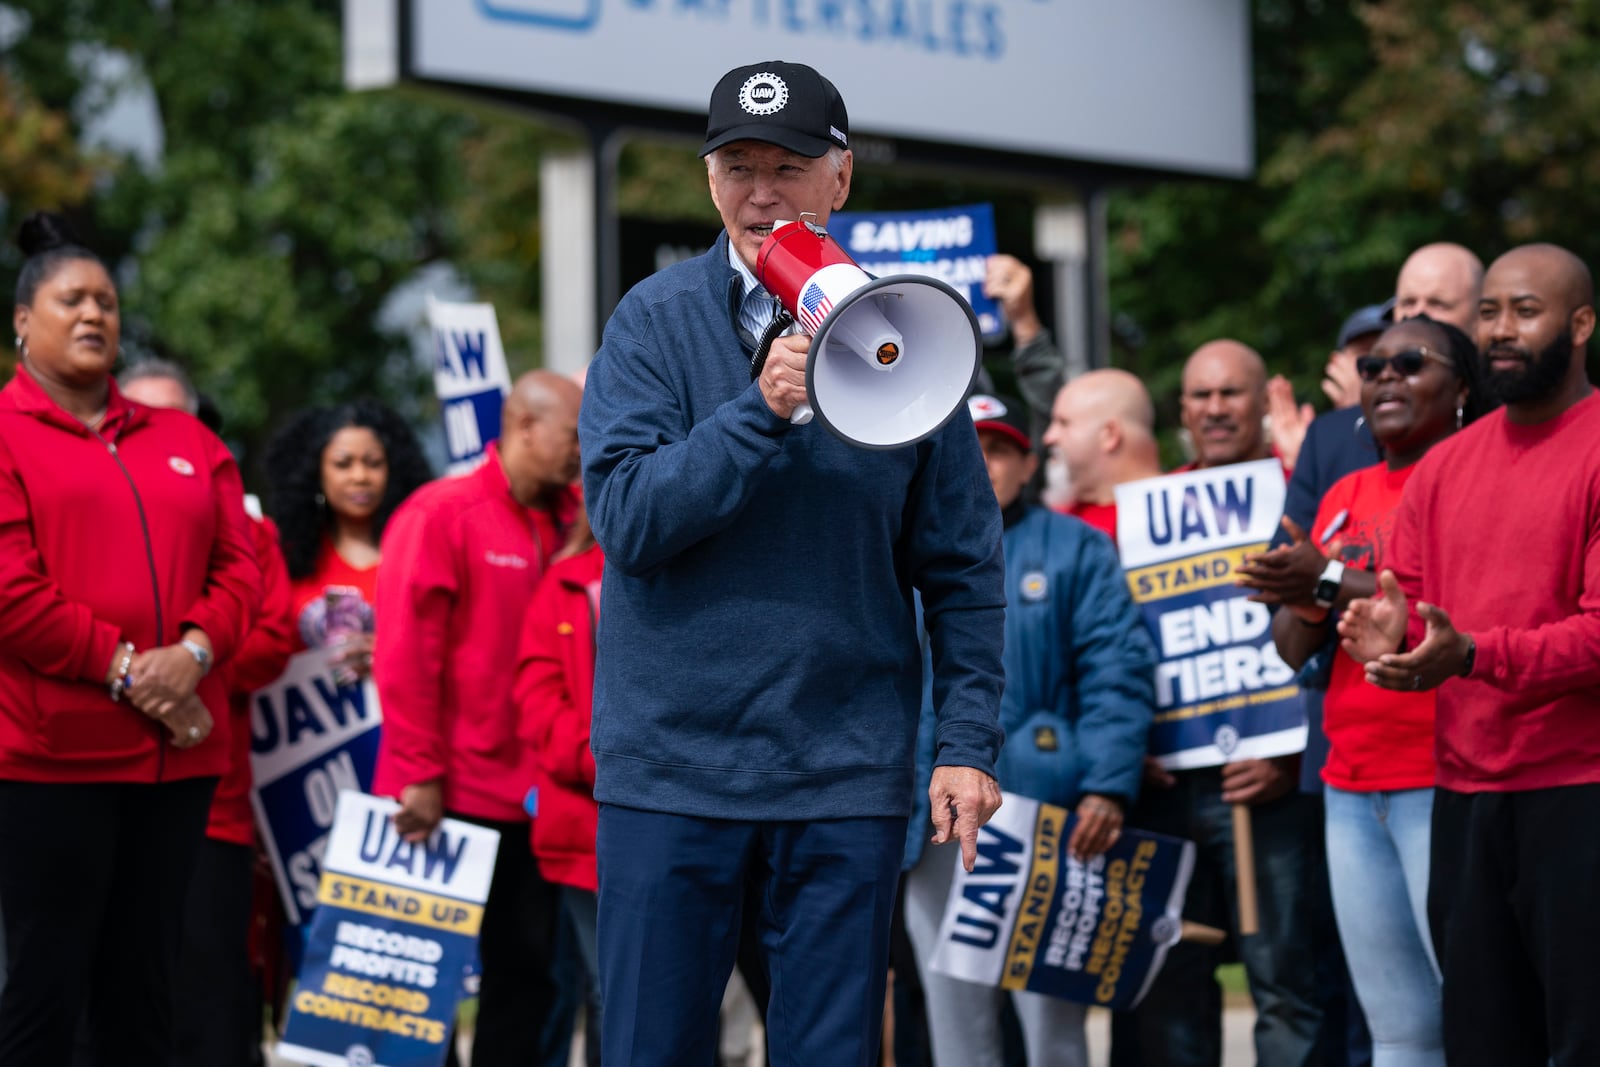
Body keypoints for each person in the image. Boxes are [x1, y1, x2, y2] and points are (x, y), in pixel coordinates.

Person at [579, 60, 1006, 1066]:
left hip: (840, 774)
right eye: (737, 165)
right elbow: (630, 519)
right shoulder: (651, 320)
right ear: (708, 180)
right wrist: (758, 412)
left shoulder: (914, 333)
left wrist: (968, 739)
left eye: (790, 164)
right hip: (674, 771)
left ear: (840, 178)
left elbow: (962, 567)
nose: (762, 190)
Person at [0, 212, 259, 1065]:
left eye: (106, 300)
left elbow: (241, 566)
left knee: (146, 995)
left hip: (172, 768)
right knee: (45, 992)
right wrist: (124, 670)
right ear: (22, 321)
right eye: (70, 297)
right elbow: (10, 587)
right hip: (50, 765)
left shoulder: (186, 438)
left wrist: (190, 655)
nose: (93, 313)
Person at [1338, 243, 1600, 1066]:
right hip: (1463, 794)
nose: (1502, 330)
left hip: (1579, 792)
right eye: (1489, 312)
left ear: (1581, 324)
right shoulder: (1446, 466)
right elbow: (1406, 602)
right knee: (1482, 1040)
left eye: (1527, 310)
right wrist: (1390, 631)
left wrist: (1472, 653)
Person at [1256, 317, 1490, 1066]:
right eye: (1373, 364)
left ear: (1461, 390)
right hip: (1352, 789)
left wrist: (1322, 574)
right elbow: (1292, 649)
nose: (1385, 374)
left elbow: (1437, 610)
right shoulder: (1346, 491)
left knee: (1482, 1007)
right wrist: (1300, 589)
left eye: (1410, 362)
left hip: (1442, 778)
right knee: (1396, 1026)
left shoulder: (1475, 475)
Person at [903, 394, 1154, 1067]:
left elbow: (1116, 671)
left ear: (1026, 461)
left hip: (1045, 817)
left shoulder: (1077, 547)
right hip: (929, 823)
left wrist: (1107, 783)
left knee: (1054, 1032)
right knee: (956, 1024)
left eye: (998, 448)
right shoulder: (902, 549)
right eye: (969, 445)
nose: (981, 462)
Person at [1111, 338, 1323, 1067]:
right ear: (1183, 411)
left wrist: (1293, 754)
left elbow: (1332, 638)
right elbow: (1121, 648)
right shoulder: (1147, 512)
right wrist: (1131, 746)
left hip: (1273, 788)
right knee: (1170, 985)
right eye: (1201, 395)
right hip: (1170, 789)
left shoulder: (1302, 496)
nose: (1215, 408)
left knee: (1288, 980)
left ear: (1264, 404)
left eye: (1232, 392)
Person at [373, 369, 583, 1067]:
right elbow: (404, 655)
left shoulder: (575, 518)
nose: (586, 448)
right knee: (415, 997)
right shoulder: (440, 514)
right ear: (525, 426)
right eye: (574, 434)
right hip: (452, 792)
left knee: (527, 984)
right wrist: (418, 774)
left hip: (540, 797)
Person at [117, 361, 296, 1067]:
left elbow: (273, 632)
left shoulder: (248, 529)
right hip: (88, 787)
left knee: (209, 998)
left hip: (209, 800)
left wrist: (186, 671)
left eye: (175, 421)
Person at [515, 508, 603, 1067]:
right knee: (610, 991)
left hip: (693, 817)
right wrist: (614, 762)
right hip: (583, 832)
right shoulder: (565, 581)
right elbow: (537, 702)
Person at [264, 399, 432, 673]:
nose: (360, 476)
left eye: (373, 463)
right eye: (343, 464)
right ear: (315, 473)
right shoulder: (285, 559)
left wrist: (389, 654)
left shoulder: (421, 551)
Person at [1038, 368, 1163, 539]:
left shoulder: (1184, 515)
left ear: (1110, 436)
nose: (1048, 437)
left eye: (1064, 423)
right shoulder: (1051, 523)